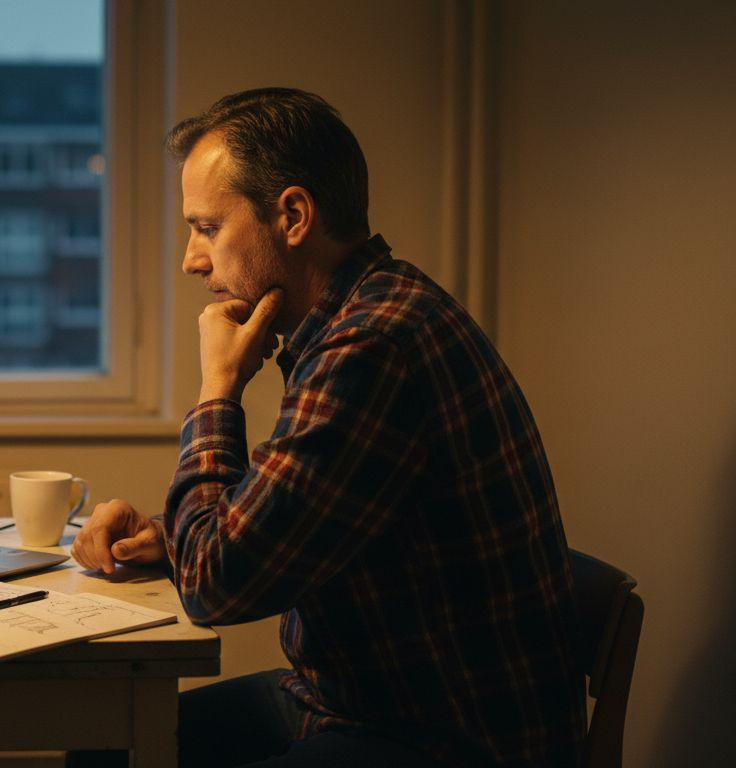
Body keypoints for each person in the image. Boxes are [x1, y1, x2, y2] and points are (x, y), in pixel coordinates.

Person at [71, 88, 585, 767]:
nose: (193, 261)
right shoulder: (368, 313)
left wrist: (218, 388)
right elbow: (290, 518)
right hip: (361, 703)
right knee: (109, 743)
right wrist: (167, 539)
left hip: (438, 736)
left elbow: (216, 586)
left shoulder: (373, 348)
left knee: (119, 745)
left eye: (207, 228)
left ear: (292, 215)